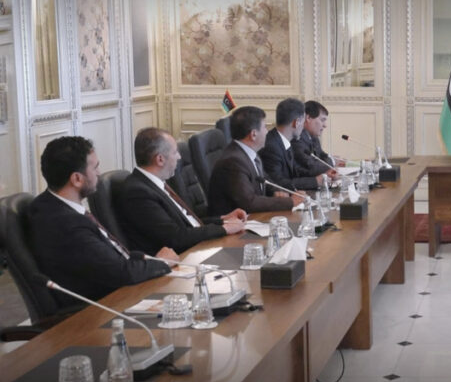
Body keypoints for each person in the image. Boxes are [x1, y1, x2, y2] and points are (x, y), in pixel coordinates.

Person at [28, 136, 173, 310]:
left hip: (115, 291)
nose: (98, 173)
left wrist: (149, 260)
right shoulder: (66, 224)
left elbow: (110, 258)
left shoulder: (49, 205)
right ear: (77, 179)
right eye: (95, 167)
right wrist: (163, 263)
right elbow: (121, 273)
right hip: (100, 309)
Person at [115, 128, 247, 255]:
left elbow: (188, 223)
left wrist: (223, 219)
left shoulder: (155, 183)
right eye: (175, 152)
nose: (179, 157)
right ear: (160, 159)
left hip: (196, 248)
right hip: (180, 259)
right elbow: (175, 237)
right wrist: (223, 229)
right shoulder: (138, 192)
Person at [207, 106, 305, 215]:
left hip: (255, 217)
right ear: (253, 134)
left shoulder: (249, 152)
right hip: (238, 222)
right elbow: (249, 202)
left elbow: (264, 179)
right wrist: (290, 202)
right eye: (264, 127)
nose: (267, 132)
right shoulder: (233, 162)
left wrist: (277, 192)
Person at [259, 98, 335, 192]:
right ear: (297, 122)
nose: (303, 127)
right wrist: (315, 181)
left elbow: (296, 170)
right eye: (303, 122)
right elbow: (277, 184)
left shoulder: (284, 141)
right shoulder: (272, 146)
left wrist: (324, 176)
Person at [293, 100, 339, 177]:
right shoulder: (296, 138)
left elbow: (322, 156)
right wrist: (333, 161)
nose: (325, 125)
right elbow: (311, 166)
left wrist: (331, 159)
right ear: (308, 118)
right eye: (322, 120)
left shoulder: (313, 137)